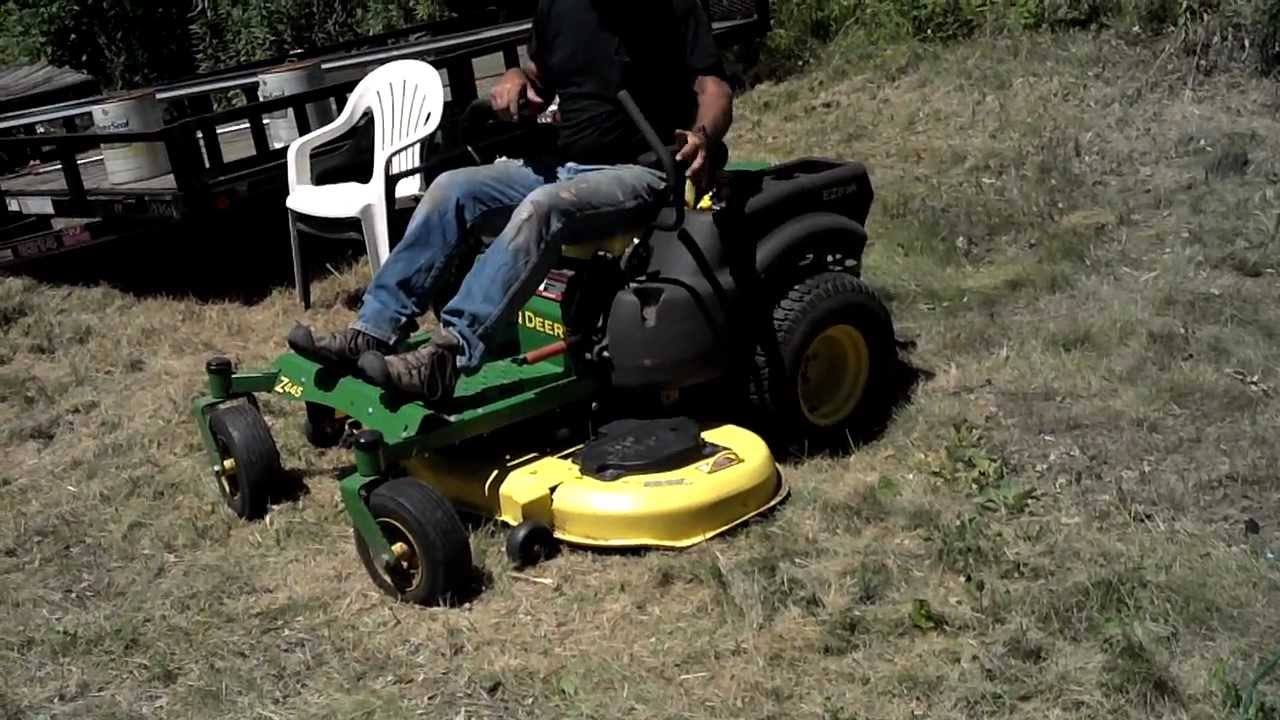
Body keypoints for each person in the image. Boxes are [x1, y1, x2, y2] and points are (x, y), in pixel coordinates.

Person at [286, 0, 734, 402]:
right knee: (451, 187)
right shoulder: (560, 7)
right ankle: (372, 330)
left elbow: (713, 87)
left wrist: (703, 135)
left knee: (544, 206)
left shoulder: (671, 6)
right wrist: (515, 82)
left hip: (639, 170)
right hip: (565, 164)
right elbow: (535, 73)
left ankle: (448, 354)